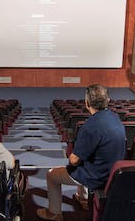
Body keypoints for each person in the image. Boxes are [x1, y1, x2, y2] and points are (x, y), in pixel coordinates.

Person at [36, 84, 126, 221]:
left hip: (97, 176)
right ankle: (83, 198)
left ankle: (54, 213)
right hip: (114, 173)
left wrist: (73, 156)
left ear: (87, 103)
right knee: (87, 159)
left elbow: (74, 160)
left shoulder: (90, 126)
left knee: (52, 175)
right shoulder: (116, 118)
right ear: (108, 100)